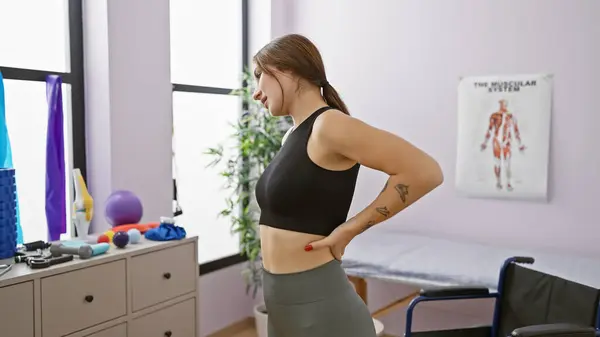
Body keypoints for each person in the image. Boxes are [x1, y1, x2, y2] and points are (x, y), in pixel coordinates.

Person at [252, 33, 444, 337]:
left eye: (259, 75)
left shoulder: (329, 125)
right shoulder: (292, 136)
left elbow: (425, 172)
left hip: (321, 306)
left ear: (286, 69)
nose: (255, 92)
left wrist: (350, 228)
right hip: (281, 303)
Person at [480, 99, 526, 191]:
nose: (503, 106)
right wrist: (485, 142)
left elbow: (516, 131)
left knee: (507, 163)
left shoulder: (511, 116)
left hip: (506, 142)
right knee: (497, 163)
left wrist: (520, 144)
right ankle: (498, 182)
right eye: (501, 104)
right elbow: (489, 129)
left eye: (504, 104)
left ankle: (508, 182)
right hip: (497, 141)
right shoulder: (495, 116)